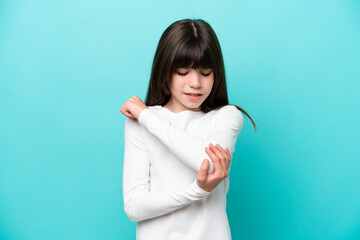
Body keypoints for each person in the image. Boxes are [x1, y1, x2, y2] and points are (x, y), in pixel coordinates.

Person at [120, 18, 258, 240]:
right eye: (183, 72)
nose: (195, 83)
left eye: (205, 73)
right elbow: (134, 207)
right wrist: (196, 190)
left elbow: (208, 163)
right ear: (164, 72)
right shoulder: (138, 124)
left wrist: (146, 115)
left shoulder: (226, 116)